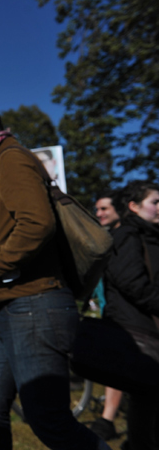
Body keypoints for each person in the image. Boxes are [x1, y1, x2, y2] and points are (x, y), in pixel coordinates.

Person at [0, 99, 110, 449]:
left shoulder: (11, 158)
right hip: (9, 306)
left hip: (36, 304)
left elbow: (38, 223)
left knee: (49, 420)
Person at [103, 180, 159, 450]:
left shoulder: (147, 234)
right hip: (138, 331)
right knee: (145, 399)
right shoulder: (127, 235)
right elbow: (133, 283)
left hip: (147, 328)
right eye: (155, 202)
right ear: (134, 207)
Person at [89, 191, 124, 441]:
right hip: (108, 311)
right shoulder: (107, 240)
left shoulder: (126, 240)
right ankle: (108, 418)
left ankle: (108, 419)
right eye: (97, 209)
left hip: (127, 314)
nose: (99, 214)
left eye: (104, 209)